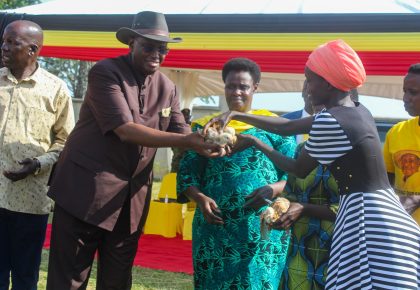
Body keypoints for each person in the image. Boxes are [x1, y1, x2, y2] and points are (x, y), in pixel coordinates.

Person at [205, 40, 420, 289]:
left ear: (328, 82)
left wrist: (253, 140)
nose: (307, 87)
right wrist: (238, 117)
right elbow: (288, 127)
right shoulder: (357, 111)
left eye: (310, 79)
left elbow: (298, 167)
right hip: (378, 210)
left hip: (367, 216)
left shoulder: (332, 120)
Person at [45, 11, 220, 290]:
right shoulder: (105, 73)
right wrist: (189, 142)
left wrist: (207, 144)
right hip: (85, 194)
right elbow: (124, 129)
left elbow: (180, 131)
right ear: (131, 45)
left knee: (117, 282)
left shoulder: (168, 87)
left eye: (162, 49)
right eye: (148, 46)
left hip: (130, 202)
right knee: (69, 281)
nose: (156, 54)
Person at [177, 58, 296, 289]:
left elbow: (294, 174)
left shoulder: (275, 126)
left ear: (255, 88)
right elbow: (187, 175)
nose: (237, 92)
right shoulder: (206, 128)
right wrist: (200, 199)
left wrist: (272, 189)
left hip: (262, 227)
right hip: (216, 227)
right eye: (231, 86)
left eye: (243, 86)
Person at [0, 20, 74, 290]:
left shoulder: (55, 89)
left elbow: (66, 140)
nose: (4, 47)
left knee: (25, 275)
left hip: (30, 199)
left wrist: (37, 165)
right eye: (3, 41)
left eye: (11, 42)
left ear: (33, 49)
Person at [280, 104, 339, 290]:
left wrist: (304, 208)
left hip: (335, 249)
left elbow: (352, 207)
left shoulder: (351, 155)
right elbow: (289, 192)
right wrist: (279, 209)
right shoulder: (300, 150)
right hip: (299, 250)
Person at [383, 63, 420, 223]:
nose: (405, 98)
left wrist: (415, 200)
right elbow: (384, 183)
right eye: (404, 91)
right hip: (402, 234)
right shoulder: (396, 132)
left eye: (413, 92)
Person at [170, 108, 192, 172]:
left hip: (187, 159)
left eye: (188, 116)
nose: (187, 118)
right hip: (178, 158)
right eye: (186, 116)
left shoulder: (191, 127)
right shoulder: (176, 127)